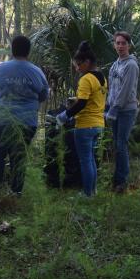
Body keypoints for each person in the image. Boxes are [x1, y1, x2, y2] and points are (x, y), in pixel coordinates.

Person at [0, 35, 49, 194]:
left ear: (12, 50)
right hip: (27, 123)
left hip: (0, 121)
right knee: (19, 159)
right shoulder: (37, 72)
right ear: (29, 51)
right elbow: (43, 96)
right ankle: (16, 193)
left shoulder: (0, 69)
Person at [57, 41, 107, 196]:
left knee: (85, 161)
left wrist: (64, 116)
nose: (77, 68)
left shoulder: (86, 79)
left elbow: (82, 103)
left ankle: (87, 194)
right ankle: (93, 190)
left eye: (79, 65)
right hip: (98, 123)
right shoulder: (101, 77)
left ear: (87, 62)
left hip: (85, 125)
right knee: (91, 159)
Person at [106, 31, 139, 193]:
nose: (120, 46)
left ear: (129, 45)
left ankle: (122, 181)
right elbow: (112, 88)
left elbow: (126, 90)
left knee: (121, 145)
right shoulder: (115, 64)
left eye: (123, 43)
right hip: (114, 109)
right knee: (117, 145)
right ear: (114, 45)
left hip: (126, 110)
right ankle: (117, 178)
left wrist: (115, 108)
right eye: (117, 43)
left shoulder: (131, 65)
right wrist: (108, 105)